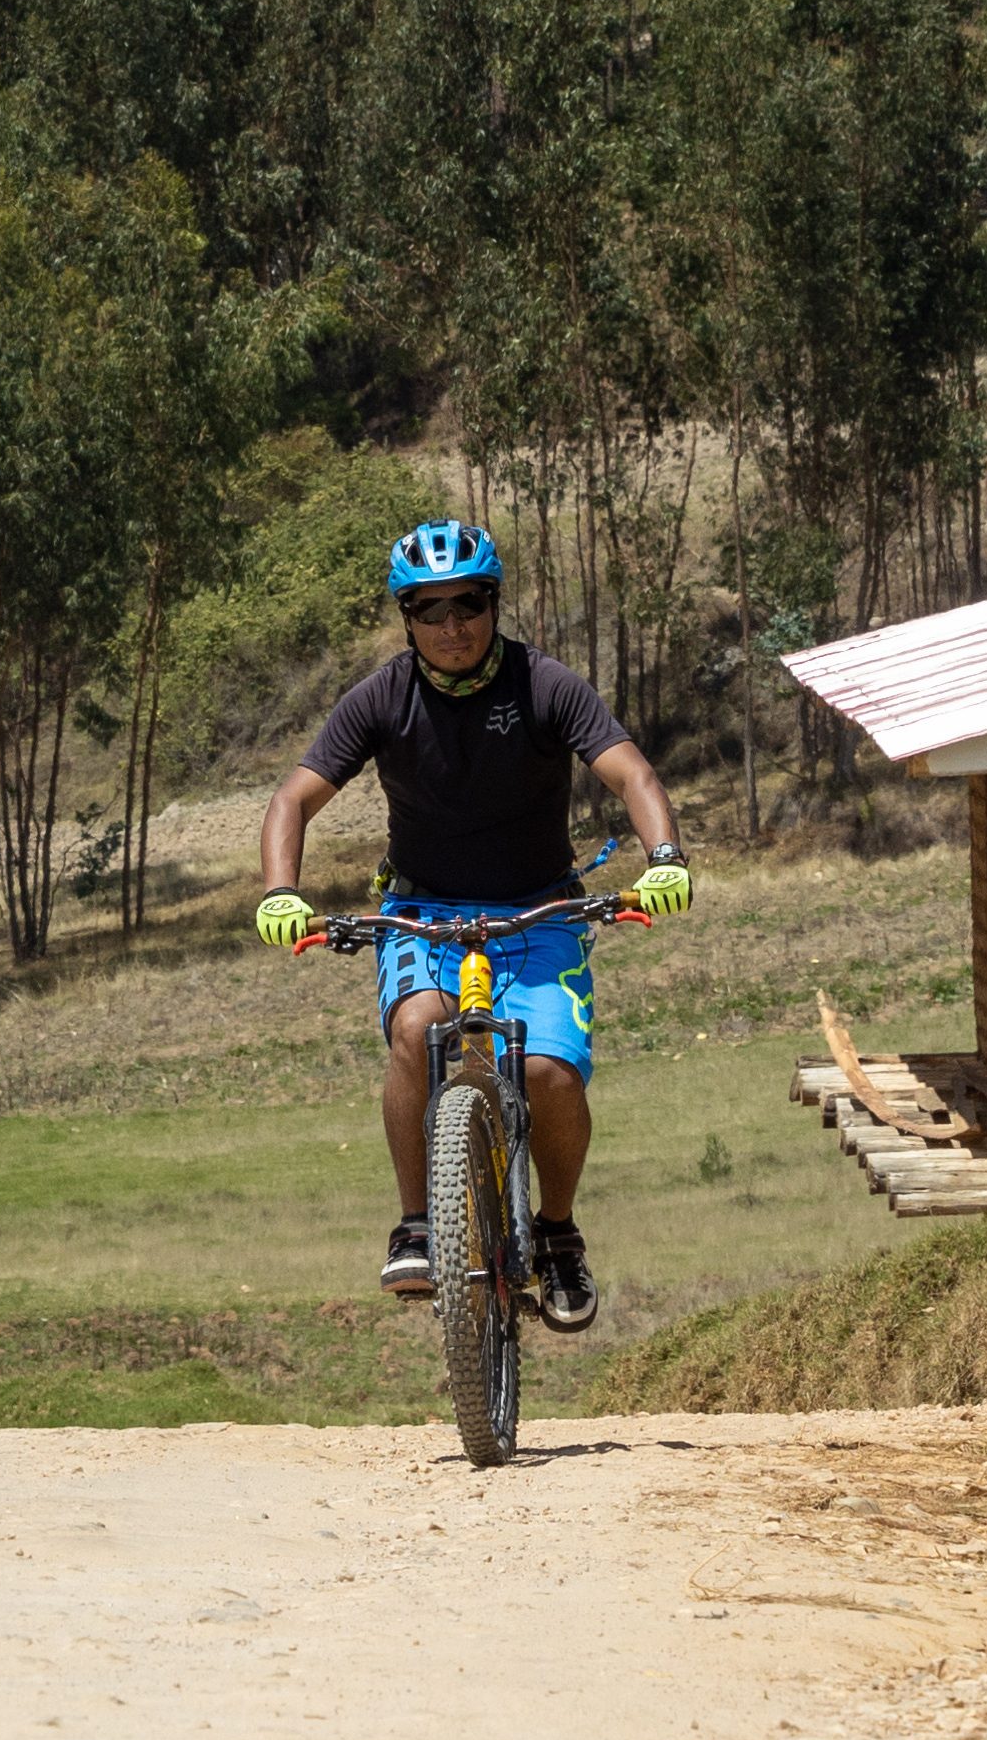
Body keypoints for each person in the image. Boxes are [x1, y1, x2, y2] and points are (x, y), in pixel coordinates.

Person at [250, 520, 690, 1334]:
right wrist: (282, 892)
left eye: (468, 604)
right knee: (417, 1030)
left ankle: (556, 1234)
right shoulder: (381, 698)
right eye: (430, 609)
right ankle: (417, 1224)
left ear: (492, 604)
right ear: (406, 618)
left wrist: (663, 859)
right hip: (420, 912)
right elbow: (293, 798)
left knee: (552, 1076)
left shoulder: (545, 684)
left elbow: (631, 772)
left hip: (539, 911)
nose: (452, 625)